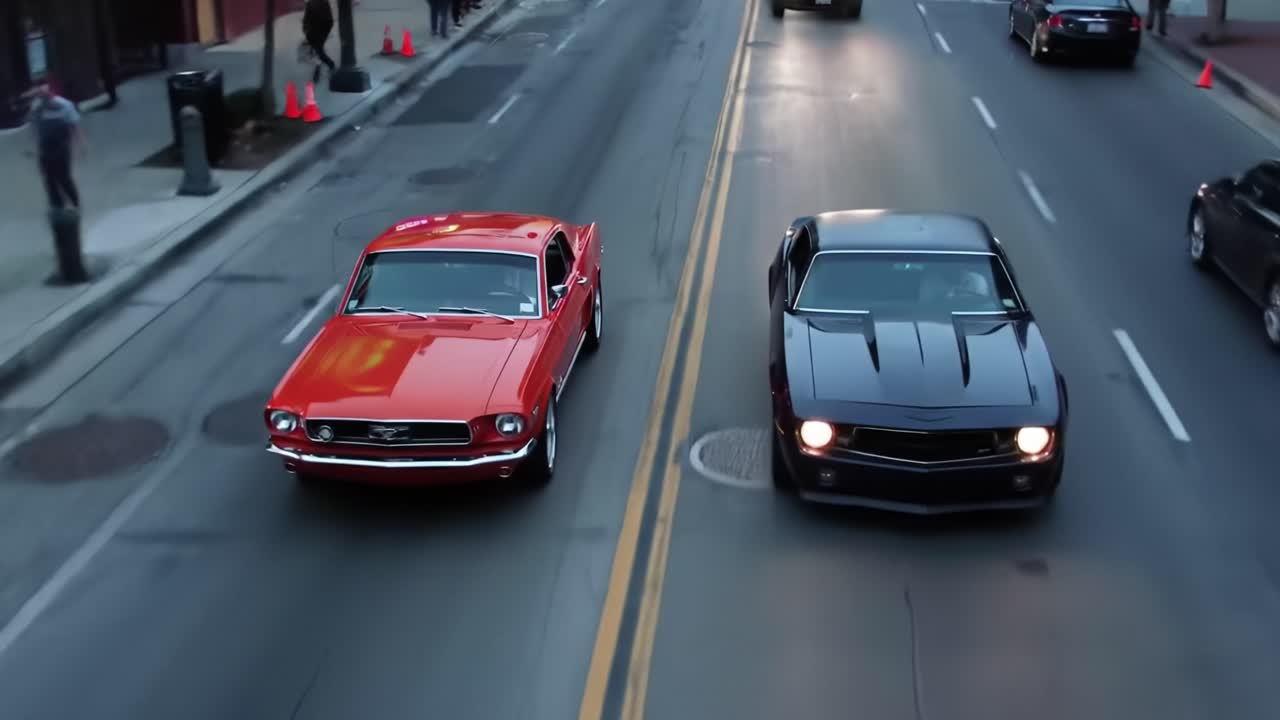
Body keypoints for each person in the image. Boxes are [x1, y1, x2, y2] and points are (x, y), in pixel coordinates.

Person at [25, 83, 85, 211]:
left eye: (42, 90)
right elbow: (34, 128)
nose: (40, 93)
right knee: (49, 179)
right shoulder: (36, 106)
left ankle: (75, 203)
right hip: (45, 149)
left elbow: (74, 125)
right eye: (38, 91)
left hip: (61, 148)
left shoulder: (64, 105)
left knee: (64, 177)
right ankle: (57, 205)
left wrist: (80, 145)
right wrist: (34, 147)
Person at [302, 0, 336, 84]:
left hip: (320, 32)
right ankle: (321, 68)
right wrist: (306, 30)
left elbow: (329, 21)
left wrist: (323, 32)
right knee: (317, 51)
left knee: (318, 50)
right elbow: (306, 19)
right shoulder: (310, 4)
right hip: (313, 33)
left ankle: (329, 66)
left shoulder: (322, 3)